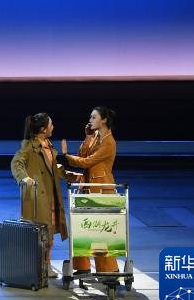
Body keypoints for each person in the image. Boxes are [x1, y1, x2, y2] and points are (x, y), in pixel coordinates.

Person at [58, 106, 119, 274]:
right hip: (88, 188)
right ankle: (83, 267)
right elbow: (83, 154)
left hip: (102, 189)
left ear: (103, 120)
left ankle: (109, 270)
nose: (90, 120)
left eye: (93, 117)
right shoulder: (95, 136)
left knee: (101, 231)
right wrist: (88, 136)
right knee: (82, 228)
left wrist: (66, 156)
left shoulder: (109, 142)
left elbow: (86, 162)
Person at [11, 113, 68, 278]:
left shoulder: (48, 145)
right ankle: (41, 266)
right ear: (43, 129)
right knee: (42, 234)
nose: (53, 127)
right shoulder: (30, 146)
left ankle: (46, 265)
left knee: (49, 234)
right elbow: (16, 162)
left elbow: (52, 167)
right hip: (39, 197)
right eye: (51, 124)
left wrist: (69, 175)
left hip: (51, 196)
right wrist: (24, 178)